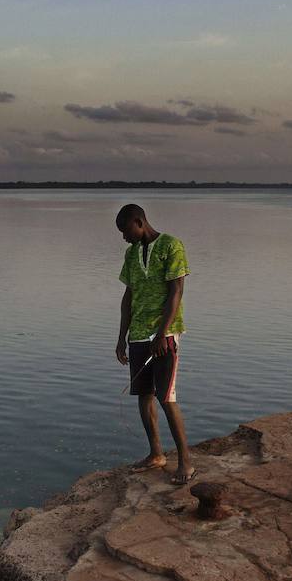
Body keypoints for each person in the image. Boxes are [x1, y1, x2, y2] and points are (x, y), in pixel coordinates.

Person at [114, 203, 194, 484]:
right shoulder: (131, 253)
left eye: (125, 231)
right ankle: (156, 454)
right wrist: (121, 337)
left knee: (166, 396)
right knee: (144, 394)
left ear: (139, 222)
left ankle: (185, 461)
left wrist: (162, 334)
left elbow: (176, 291)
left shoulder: (171, 245)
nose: (124, 237)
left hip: (165, 334)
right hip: (137, 333)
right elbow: (128, 296)